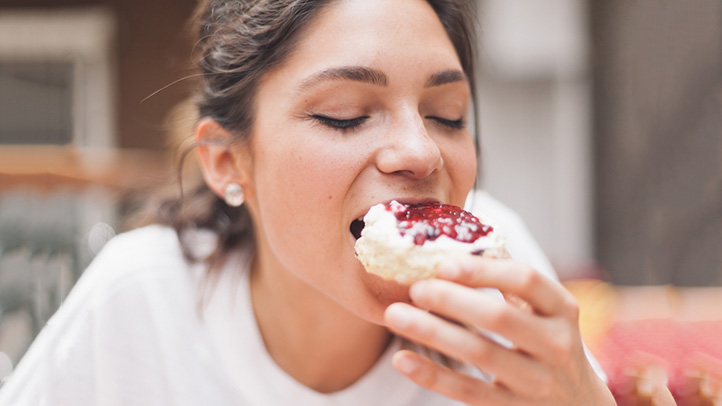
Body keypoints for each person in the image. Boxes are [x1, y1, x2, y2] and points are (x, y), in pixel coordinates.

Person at [0, 0, 620, 404]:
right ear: (226, 162)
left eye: (446, 115)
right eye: (344, 116)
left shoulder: (499, 289)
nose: (420, 152)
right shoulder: (142, 302)